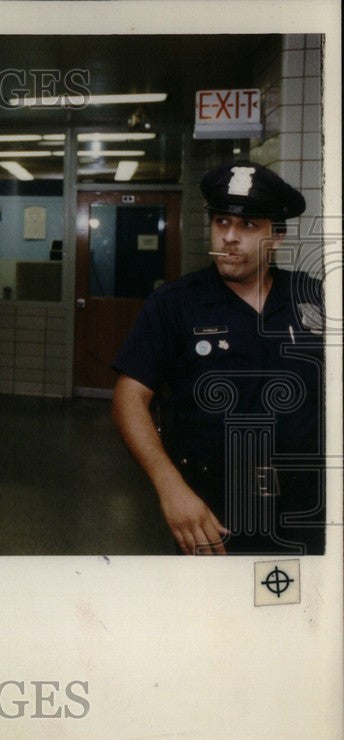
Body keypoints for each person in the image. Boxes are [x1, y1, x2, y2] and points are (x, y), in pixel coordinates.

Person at [112, 161, 324, 555]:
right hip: (211, 513)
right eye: (222, 222)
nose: (229, 237)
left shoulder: (314, 298)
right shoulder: (176, 304)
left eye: (248, 226)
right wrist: (170, 487)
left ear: (276, 237)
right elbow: (129, 398)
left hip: (307, 510)